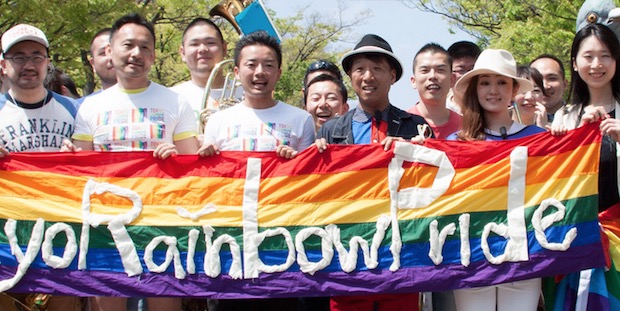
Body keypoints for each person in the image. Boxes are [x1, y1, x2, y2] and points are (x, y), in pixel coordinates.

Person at [63, 13, 198, 311]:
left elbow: (193, 166)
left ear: (152, 55)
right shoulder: (90, 107)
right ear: (110, 51)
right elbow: (81, 164)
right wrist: (68, 156)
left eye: (145, 47)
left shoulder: (176, 102)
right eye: (128, 45)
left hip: (163, 220)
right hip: (105, 223)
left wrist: (176, 158)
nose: (136, 53)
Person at [198, 30, 314, 310]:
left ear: (279, 71)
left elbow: (310, 182)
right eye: (251, 65)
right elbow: (208, 184)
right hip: (230, 241)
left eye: (268, 65)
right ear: (237, 71)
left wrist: (295, 162)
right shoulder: (218, 121)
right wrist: (206, 159)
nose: (259, 72)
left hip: (282, 242)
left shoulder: (301, 119)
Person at [316, 33, 430, 311]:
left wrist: (416, 151)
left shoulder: (415, 126)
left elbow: (432, 182)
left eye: (377, 68)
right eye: (360, 69)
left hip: (401, 253)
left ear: (392, 75)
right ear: (350, 77)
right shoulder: (332, 130)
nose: (368, 76)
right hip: (348, 252)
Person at [448, 49, 545, 311]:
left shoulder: (539, 138)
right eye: (486, 82)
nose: (494, 90)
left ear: (514, 90)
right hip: (472, 255)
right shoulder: (454, 145)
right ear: (475, 89)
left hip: (524, 256)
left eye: (502, 82)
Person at [0, 23, 81, 311]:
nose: (29, 64)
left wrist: (80, 157)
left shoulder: (75, 111)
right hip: (7, 239)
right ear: (3, 65)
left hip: (62, 234)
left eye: (37, 55)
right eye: (18, 57)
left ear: (47, 63)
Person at [550, 23, 620, 310]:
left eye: (605, 55)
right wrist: (575, 133)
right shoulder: (563, 118)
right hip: (575, 238)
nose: (596, 64)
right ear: (575, 65)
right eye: (588, 56)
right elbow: (554, 179)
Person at [171, 18, 242, 127]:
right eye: (194, 44)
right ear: (183, 53)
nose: (203, 49)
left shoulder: (247, 94)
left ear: (224, 48)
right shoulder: (171, 98)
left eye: (210, 43)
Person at [408, 43, 461, 139]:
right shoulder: (399, 125)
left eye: (440, 70)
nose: (432, 76)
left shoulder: (466, 128)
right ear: (413, 81)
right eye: (425, 70)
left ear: (452, 79)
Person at [445, 41, 481, 114]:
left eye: (473, 70)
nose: (468, 76)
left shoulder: (494, 108)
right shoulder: (440, 111)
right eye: (461, 70)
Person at [530, 54, 569, 118]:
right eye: (538, 79)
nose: (545, 86)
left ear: (565, 84)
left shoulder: (579, 117)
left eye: (552, 78)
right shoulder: (515, 121)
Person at [87, 28, 117, 93]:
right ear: (93, 64)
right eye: (103, 53)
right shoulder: (84, 103)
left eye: (116, 50)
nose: (111, 57)